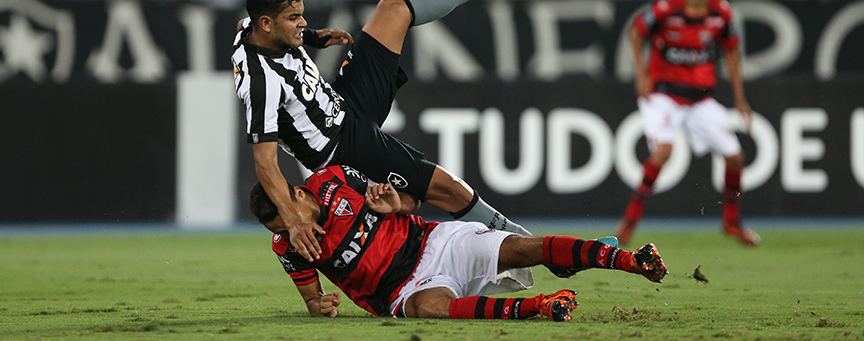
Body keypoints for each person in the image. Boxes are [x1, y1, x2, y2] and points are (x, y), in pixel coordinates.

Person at [233, 0, 540, 265]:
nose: (302, 22)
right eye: (294, 19)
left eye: (302, 15)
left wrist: (315, 37)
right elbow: (265, 163)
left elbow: (263, 26)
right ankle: (544, 251)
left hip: (345, 101)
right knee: (452, 191)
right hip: (344, 148)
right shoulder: (261, 84)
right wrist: (292, 221)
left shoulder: (248, 28)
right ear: (267, 24)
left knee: (392, 8)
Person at [249, 164, 668, 320]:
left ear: (299, 196)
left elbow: (411, 200)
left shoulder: (337, 178)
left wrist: (397, 204)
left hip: (435, 242)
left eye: (288, 221)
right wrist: (319, 305)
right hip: (399, 291)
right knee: (428, 309)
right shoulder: (288, 248)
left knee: (524, 247)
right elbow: (312, 301)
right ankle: (539, 307)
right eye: (279, 232)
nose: (289, 233)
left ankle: (628, 259)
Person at [616, 0, 759, 247]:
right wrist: (641, 73)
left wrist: (740, 99)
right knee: (663, 151)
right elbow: (636, 31)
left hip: (700, 100)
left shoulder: (722, 13)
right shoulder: (666, 9)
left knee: (735, 158)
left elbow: (732, 53)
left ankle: (731, 222)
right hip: (663, 95)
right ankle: (628, 224)